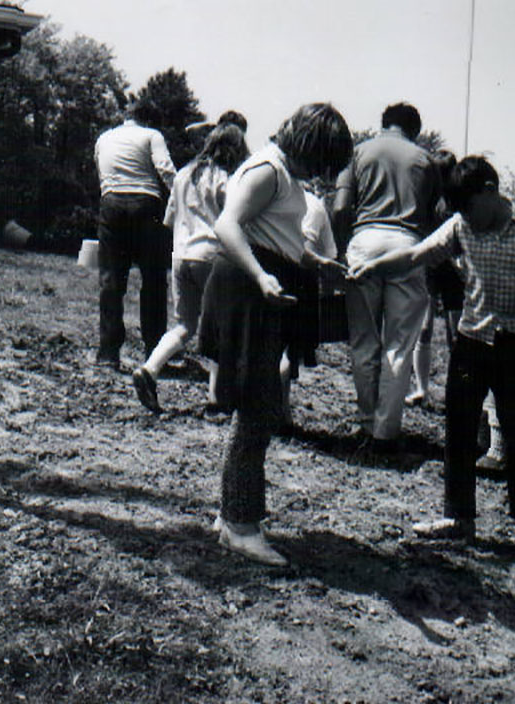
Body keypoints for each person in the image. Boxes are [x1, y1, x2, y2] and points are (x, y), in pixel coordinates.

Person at [349, 156, 515, 549]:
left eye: (469, 206)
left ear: (490, 191)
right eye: (459, 210)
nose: (466, 217)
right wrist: (373, 266)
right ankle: (459, 519)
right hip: (471, 344)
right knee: (458, 432)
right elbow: (415, 255)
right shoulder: (459, 226)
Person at [198, 103, 353, 566]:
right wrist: (262, 277)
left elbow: (277, 236)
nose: (321, 173)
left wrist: (314, 262)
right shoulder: (267, 169)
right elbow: (227, 226)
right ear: (307, 145)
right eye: (321, 160)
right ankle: (241, 525)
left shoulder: (284, 173)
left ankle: (233, 515)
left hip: (265, 289)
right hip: (250, 291)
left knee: (257, 407)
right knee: (259, 407)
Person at [332, 102, 442, 447]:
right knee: (400, 344)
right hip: (406, 245)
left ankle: (366, 422)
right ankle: (385, 431)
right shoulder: (426, 160)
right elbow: (436, 216)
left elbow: (339, 208)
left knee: (364, 341)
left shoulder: (358, 152)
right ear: (415, 130)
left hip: (365, 240)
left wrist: (340, 250)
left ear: (384, 124)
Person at [131, 123, 250, 414]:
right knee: (221, 329)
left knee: (185, 325)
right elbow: (234, 221)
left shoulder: (184, 174)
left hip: (181, 254)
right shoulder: (226, 178)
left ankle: (150, 368)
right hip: (211, 255)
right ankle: (216, 400)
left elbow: (169, 220)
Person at [94, 98, 176, 369]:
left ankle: (108, 352)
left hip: (112, 203)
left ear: (125, 117)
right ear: (148, 118)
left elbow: (101, 170)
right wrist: (180, 195)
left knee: (111, 280)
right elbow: (164, 168)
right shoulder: (152, 135)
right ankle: (154, 351)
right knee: (153, 280)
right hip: (146, 205)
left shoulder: (104, 138)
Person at [278, 185, 342, 430]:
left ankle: (271, 409)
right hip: (304, 278)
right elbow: (330, 253)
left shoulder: (277, 193)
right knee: (288, 349)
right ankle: (282, 412)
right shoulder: (316, 204)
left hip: (272, 267)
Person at [406, 148, 461, 408]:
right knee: (424, 329)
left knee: (457, 334)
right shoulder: (425, 199)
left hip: (453, 270)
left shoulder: (457, 202)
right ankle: (422, 389)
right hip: (429, 265)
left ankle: (458, 392)